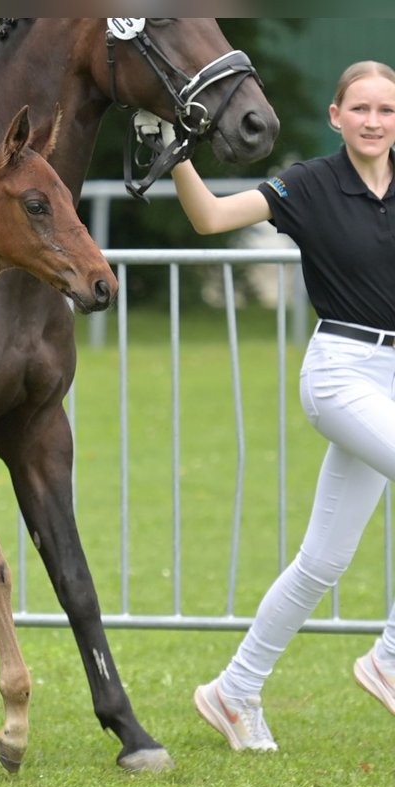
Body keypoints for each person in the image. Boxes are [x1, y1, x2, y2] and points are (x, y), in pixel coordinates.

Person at [155, 60, 395, 751]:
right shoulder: (311, 183)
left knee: (322, 560)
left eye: (385, 110)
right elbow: (210, 218)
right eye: (361, 110)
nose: (373, 122)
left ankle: (233, 691)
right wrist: (177, 161)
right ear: (336, 116)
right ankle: (387, 659)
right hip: (342, 374)